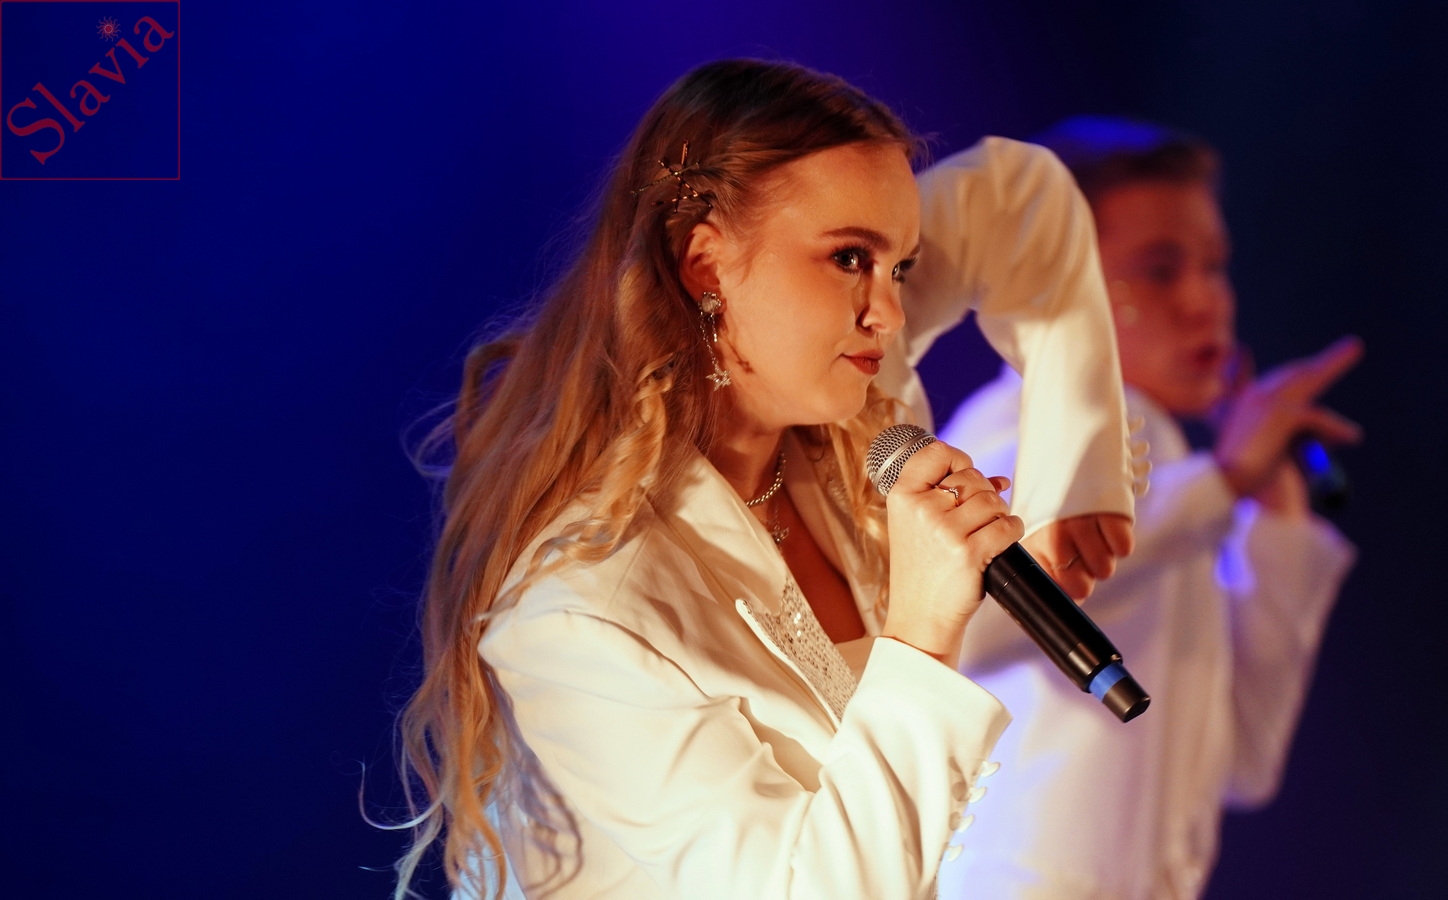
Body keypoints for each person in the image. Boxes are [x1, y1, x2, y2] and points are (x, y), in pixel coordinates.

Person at [388, 62, 1137, 900]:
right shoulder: (580, 610)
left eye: (900, 267)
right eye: (849, 258)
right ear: (706, 265)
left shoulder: (846, 409)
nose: (888, 312)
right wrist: (922, 634)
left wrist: (1077, 475)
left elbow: (1021, 193)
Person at [938, 117, 1362, 900]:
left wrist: (1275, 521)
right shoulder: (1026, 421)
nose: (1204, 302)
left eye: (1213, 266)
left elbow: (1244, 764)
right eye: (1161, 271)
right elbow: (962, 622)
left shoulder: (1171, 478)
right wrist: (1220, 483)